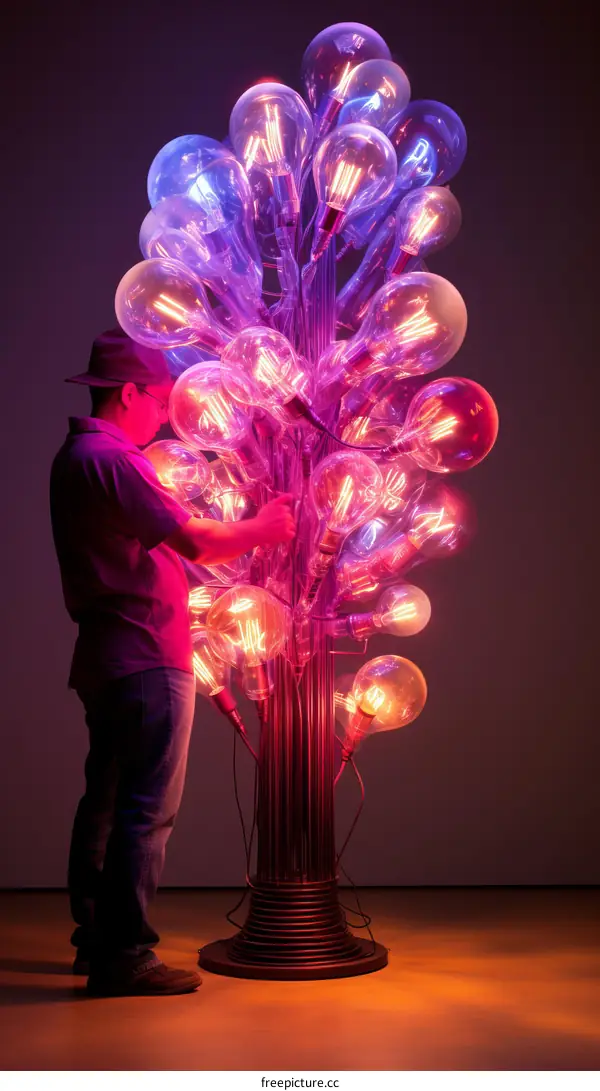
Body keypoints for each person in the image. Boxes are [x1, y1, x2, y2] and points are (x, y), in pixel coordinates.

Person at [50, 328, 295, 997]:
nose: (166, 413)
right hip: (148, 653)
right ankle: (124, 954)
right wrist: (263, 528)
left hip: (107, 655)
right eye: (158, 398)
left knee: (104, 798)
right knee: (145, 807)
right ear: (128, 392)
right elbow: (193, 540)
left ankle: (95, 938)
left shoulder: (77, 457)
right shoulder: (113, 459)